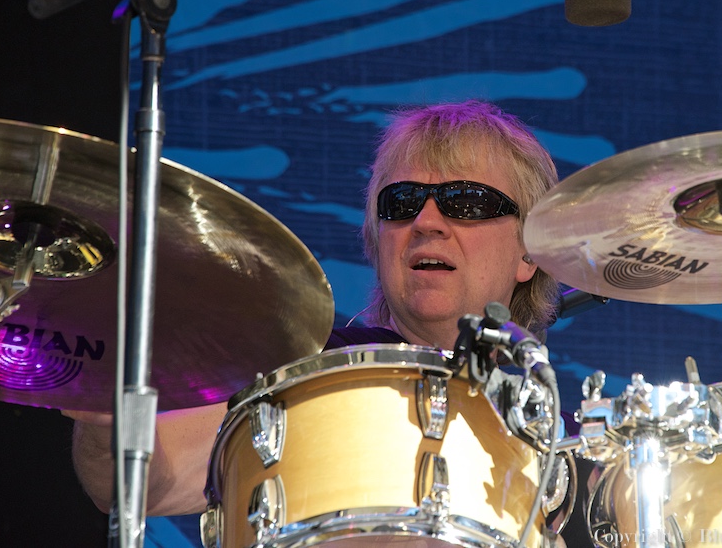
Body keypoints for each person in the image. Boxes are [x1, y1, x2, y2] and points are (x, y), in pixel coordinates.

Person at [66, 100, 564, 524]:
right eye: (402, 202)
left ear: (529, 252)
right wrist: (107, 407)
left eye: (466, 202)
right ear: (377, 240)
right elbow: (131, 483)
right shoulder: (309, 367)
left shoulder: (569, 442)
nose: (427, 221)